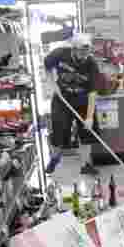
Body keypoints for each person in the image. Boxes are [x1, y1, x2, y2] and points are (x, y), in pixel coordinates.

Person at [44, 32, 99, 174]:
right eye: (81, 52)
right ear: (73, 48)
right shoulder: (60, 54)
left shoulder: (91, 63)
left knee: (87, 133)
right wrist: (52, 84)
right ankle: (55, 158)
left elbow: (92, 93)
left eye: (87, 52)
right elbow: (47, 66)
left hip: (83, 100)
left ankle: (86, 165)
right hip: (62, 99)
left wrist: (89, 117)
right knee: (60, 131)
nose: (84, 55)